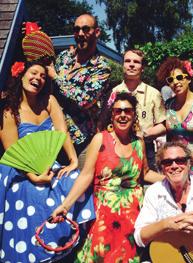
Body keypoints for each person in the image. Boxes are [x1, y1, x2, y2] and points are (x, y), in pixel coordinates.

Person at [52, 92, 165, 262]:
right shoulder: (100, 139)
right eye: (118, 111)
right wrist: (65, 205)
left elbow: (145, 173)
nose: (122, 115)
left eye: (127, 111)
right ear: (112, 115)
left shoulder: (138, 142)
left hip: (132, 216)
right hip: (103, 216)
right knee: (98, 255)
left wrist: (171, 180)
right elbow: (86, 175)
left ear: (134, 115)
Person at [0, 61, 95, 262]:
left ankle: (70, 244)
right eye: (33, 73)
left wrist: (72, 161)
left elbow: (62, 131)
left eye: (43, 76)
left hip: (47, 165)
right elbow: (13, 151)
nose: (38, 79)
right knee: (34, 193)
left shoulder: (49, 100)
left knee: (74, 180)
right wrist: (33, 176)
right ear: (21, 76)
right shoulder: (9, 110)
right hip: (19, 170)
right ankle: (33, 250)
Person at [47, 13, 111, 170]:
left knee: (82, 188)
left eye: (85, 29)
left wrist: (56, 77)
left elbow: (86, 99)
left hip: (81, 141)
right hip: (53, 137)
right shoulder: (63, 58)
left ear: (96, 32)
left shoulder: (101, 67)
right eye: (76, 30)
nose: (80, 34)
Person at [156, 57, 193, 175]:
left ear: (188, 79)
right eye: (170, 80)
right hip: (174, 167)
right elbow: (163, 128)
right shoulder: (169, 105)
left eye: (179, 77)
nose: (175, 82)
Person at [112, 49, 166, 171]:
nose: (131, 64)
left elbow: (163, 125)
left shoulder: (154, 94)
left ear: (142, 68)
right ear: (123, 65)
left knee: (147, 186)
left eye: (136, 62)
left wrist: (144, 134)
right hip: (118, 148)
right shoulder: (113, 93)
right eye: (127, 61)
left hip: (146, 149)